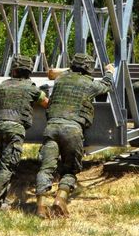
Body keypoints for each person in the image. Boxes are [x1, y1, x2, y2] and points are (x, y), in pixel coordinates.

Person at [35, 53, 114, 219]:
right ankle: (60, 200)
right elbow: (107, 85)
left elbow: (51, 72)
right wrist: (109, 72)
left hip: (52, 128)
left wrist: (70, 69)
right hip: (73, 130)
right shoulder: (89, 84)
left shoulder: (60, 79)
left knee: (46, 168)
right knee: (70, 169)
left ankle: (41, 206)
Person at [0, 55, 49, 210]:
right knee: (7, 167)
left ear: (13, 70)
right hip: (15, 129)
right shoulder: (31, 88)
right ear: (29, 71)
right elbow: (46, 102)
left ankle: (1, 201)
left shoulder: (4, 84)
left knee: (4, 165)